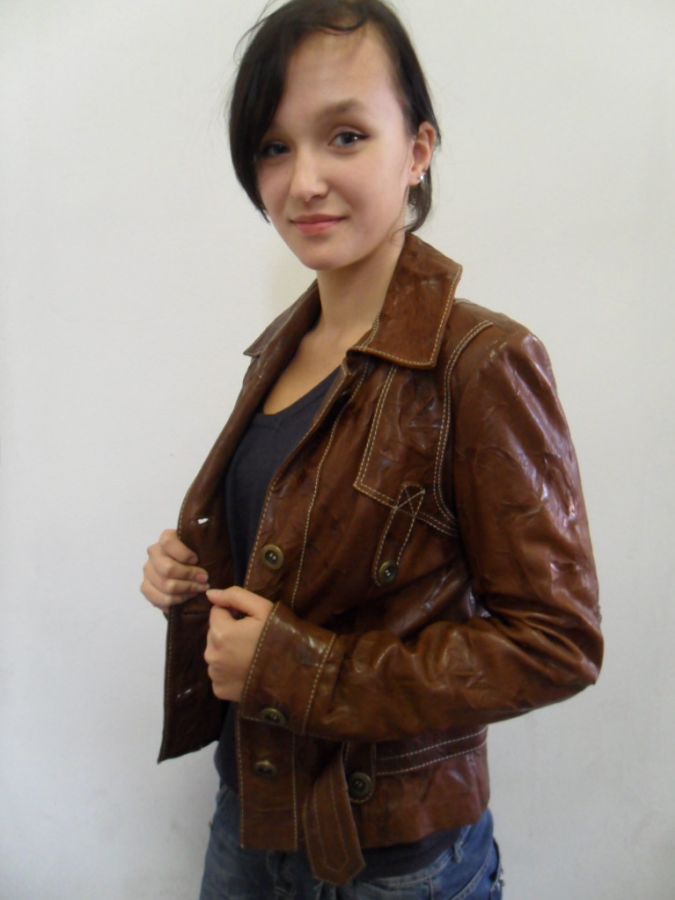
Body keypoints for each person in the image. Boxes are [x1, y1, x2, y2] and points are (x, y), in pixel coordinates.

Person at [141, 1, 603, 897]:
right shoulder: (279, 352)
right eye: (274, 147)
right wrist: (191, 573)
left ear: (417, 149)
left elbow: (557, 644)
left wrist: (298, 669)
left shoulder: (481, 361)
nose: (303, 180)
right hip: (247, 817)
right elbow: (306, 565)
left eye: (345, 136)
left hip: (390, 859)